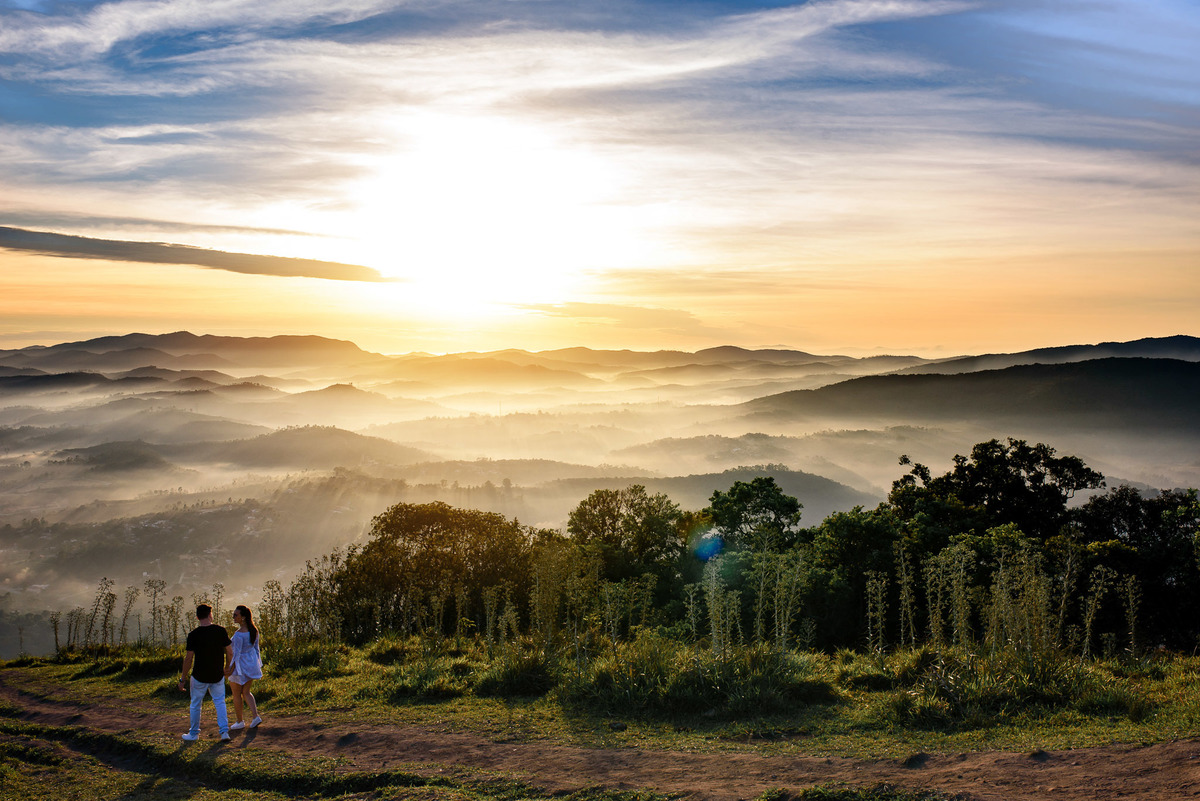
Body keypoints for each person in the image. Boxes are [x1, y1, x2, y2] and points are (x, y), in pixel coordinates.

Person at [179, 603, 233, 742]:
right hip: (217, 674)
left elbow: (189, 658)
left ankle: (194, 733)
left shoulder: (193, 635)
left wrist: (183, 678)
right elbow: (230, 652)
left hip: (199, 675)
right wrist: (227, 667)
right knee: (220, 702)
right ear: (210, 615)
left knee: (196, 704)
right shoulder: (220, 631)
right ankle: (224, 732)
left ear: (197, 617)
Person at [225, 604, 263, 730]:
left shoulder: (238, 635)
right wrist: (257, 664)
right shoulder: (254, 631)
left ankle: (240, 721)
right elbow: (256, 649)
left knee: (236, 694)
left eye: (236, 615)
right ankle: (255, 716)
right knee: (246, 692)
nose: (233, 617)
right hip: (251, 664)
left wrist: (229, 669)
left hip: (240, 667)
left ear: (243, 617)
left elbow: (235, 655)